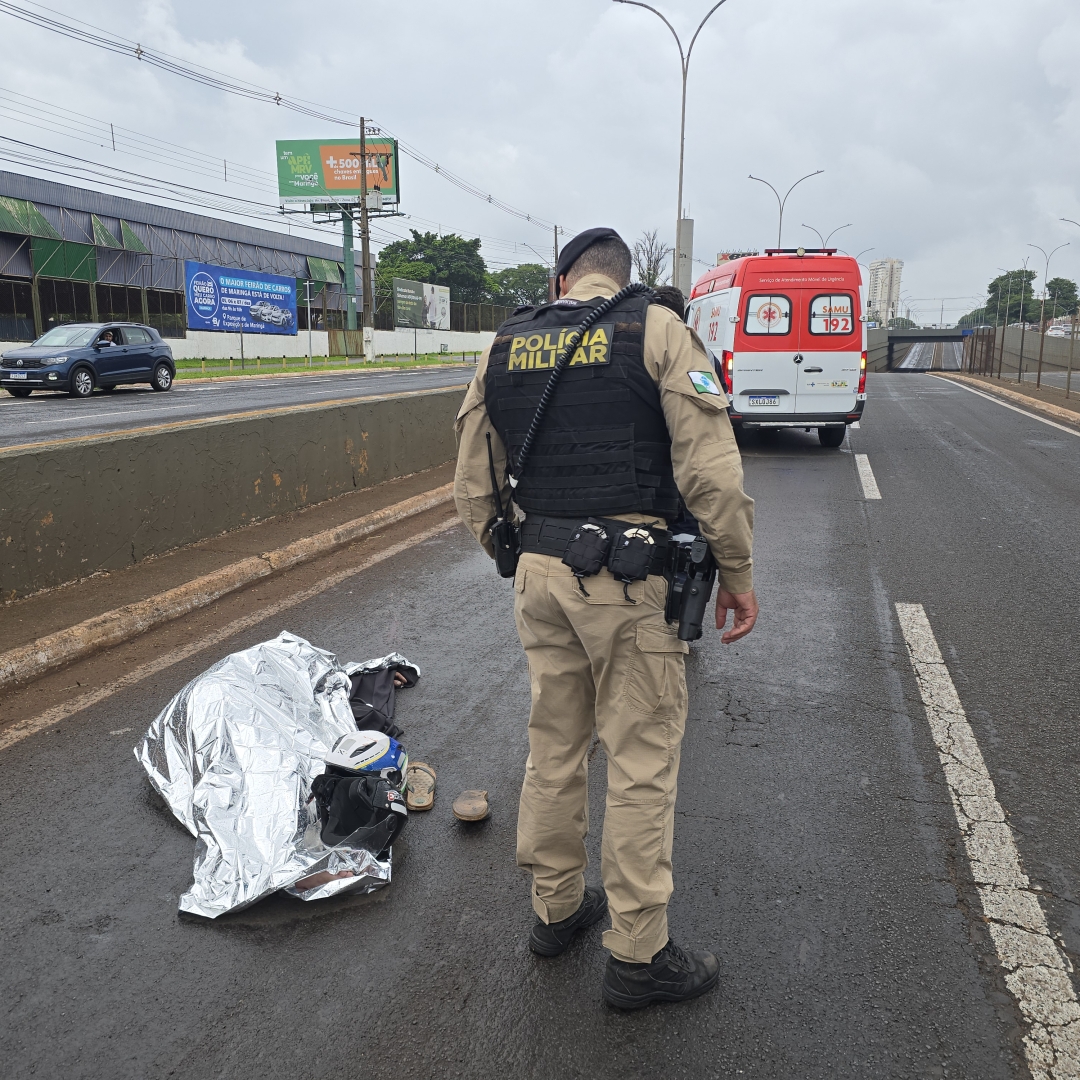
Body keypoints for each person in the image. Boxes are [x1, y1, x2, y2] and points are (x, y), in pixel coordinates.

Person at [453, 227, 757, 1009]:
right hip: (628, 583)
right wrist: (738, 573)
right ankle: (637, 954)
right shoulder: (656, 328)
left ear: (562, 280)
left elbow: (473, 481)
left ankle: (555, 912)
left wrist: (514, 550)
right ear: (620, 276)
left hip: (540, 574)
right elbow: (711, 473)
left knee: (554, 744)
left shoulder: (504, 343)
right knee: (639, 760)